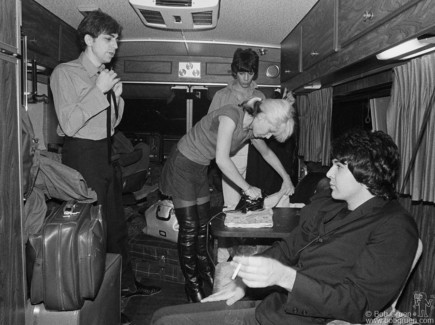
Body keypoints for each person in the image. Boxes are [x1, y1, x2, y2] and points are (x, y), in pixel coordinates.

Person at [151, 129, 419, 324]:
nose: (328, 174)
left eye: (338, 167)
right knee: (163, 316)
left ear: (366, 174)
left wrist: (284, 277)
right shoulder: (331, 205)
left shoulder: (394, 227)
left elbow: (358, 304)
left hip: (305, 320)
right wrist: (243, 282)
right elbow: (288, 248)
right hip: (274, 310)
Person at [50, 10, 161, 307]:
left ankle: (126, 286)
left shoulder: (105, 77)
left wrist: (117, 98)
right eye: (108, 39)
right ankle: (96, 303)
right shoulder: (65, 73)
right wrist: (99, 92)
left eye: (117, 39)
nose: (115, 45)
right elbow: (70, 124)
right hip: (82, 156)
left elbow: (110, 126)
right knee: (91, 234)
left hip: (104, 154)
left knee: (116, 229)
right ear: (88, 40)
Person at [159, 97, 296, 303]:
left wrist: (286, 178)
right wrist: (247, 188)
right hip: (182, 163)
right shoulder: (231, 115)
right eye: (269, 131)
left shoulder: (252, 129)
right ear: (262, 116)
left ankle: (207, 272)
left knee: (203, 226)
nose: (268, 136)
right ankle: (193, 285)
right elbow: (222, 160)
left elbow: (267, 154)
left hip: (199, 167)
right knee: (189, 227)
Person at [208, 48, 266, 210]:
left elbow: (266, 126)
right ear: (235, 72)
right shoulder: (221, 96)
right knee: (232, 205)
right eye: (242, 73)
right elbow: (210, 126)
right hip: (230, 154)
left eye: (250, 73)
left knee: (256, 203)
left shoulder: (260, 96)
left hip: (255, 154)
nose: (246, 78)